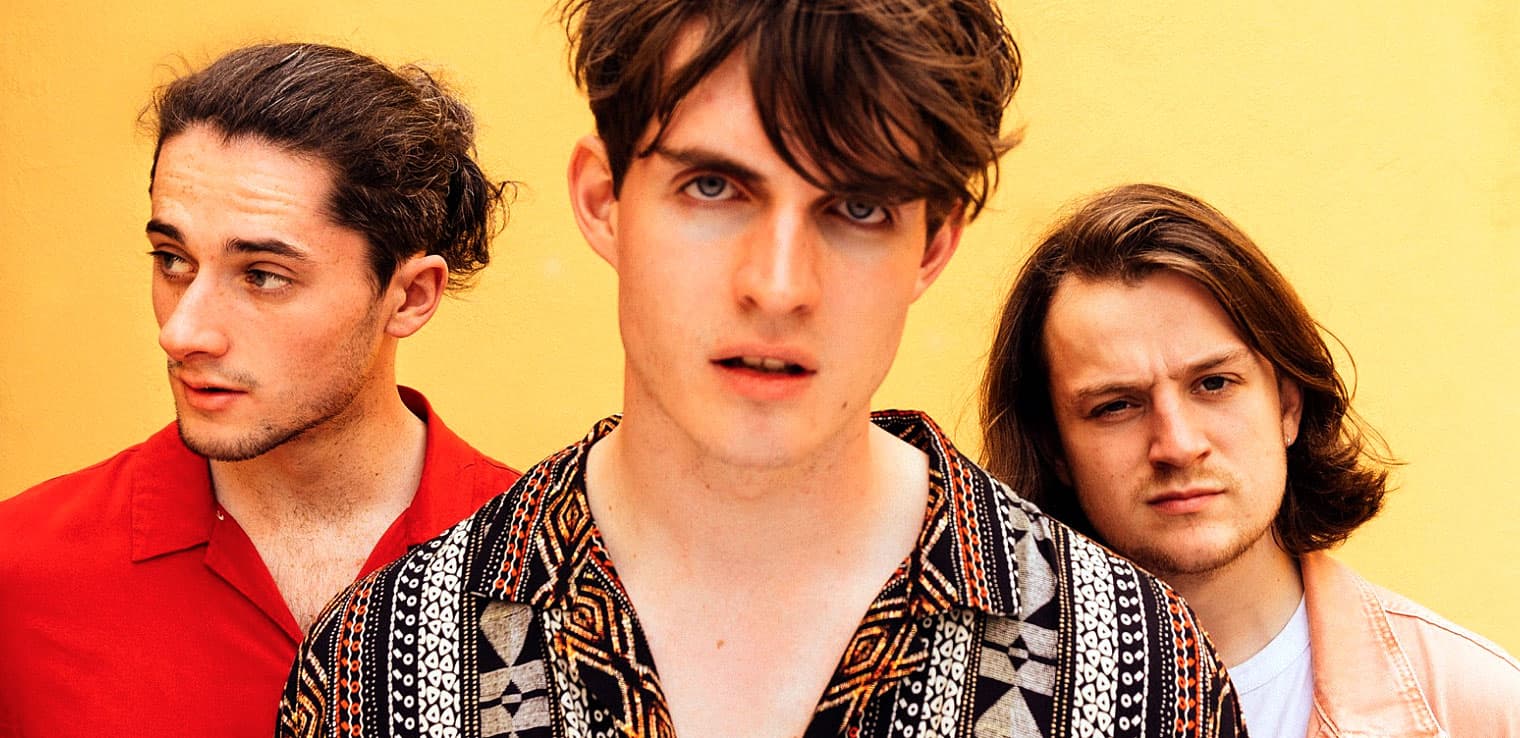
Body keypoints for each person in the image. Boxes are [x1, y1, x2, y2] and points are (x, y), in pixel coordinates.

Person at [278, 5, 1243, 738]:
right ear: (606, 200)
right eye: (714, 187)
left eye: (858, 208)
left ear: (933, 243)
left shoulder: (1136, 675)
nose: (779, 287)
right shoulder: (387, 668)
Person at [0, 43, 521, 738]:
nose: (182, 332)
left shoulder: (550, 574)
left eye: (263, 275)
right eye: (172, 260)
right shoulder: (22, 574)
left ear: (409, 296)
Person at [980, 182, 1520, 736]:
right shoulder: (975, 708)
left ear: (1287, 405)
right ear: (1055, 448)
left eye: (1214, 383)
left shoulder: (1477, 708)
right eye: (1116, 405)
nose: (1178, 445)